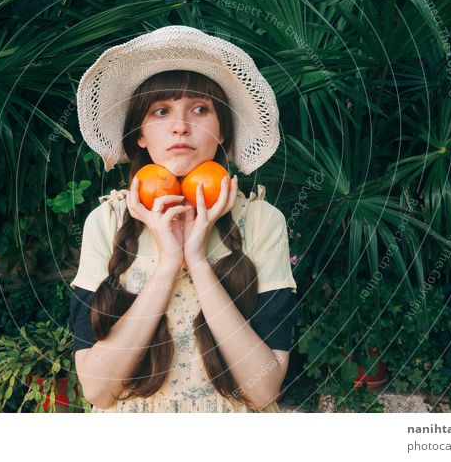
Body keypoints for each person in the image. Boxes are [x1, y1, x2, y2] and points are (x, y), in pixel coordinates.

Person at [69, 25, 299, 413]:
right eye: (161, 111)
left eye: (200, 109)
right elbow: (97, 390)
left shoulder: (261, 221)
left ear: (223, 130)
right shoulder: (106, 221)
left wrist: (197, 261)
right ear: (139, 134)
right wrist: (168, 264)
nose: (180, 126)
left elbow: (264, 390)